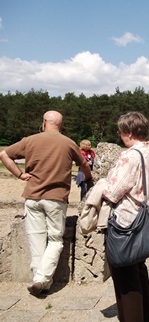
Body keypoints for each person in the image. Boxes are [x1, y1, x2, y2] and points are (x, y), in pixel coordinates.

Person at [0, 110, 92, 297]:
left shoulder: (30, 140)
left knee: (36, 240)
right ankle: (41, 279)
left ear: (44, 122)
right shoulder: (68, 143)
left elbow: (4, 155)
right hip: (56, 198)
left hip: (32, 196)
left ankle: (41, 282)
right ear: (61, 124)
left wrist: (19, 174)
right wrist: (89, 179)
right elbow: (84, 165)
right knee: (55, 240)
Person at [103, 111, 149, 322]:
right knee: (139, 271)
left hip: (127, 224)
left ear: (128, 132)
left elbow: (113, 191)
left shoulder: (130, 155)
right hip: (147, 221)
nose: (120, 136)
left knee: (125, 279)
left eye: (120, 132)